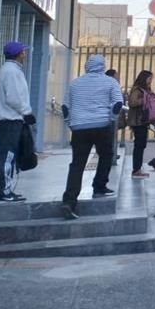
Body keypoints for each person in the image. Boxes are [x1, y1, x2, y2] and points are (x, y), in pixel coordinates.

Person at [60, 55, 125, 220]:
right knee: (106, 155)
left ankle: (69, 200)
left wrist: (71, 123)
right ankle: (99, 186)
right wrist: (110, 119)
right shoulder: (111, 82)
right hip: (101, 125)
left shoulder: (75, 83)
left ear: (86, 66)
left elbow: (65, 107)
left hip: (79, 127)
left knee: (77, 164)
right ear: (102, 66)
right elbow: (118, 104)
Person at [0, 41, 35, 203]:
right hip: (9, 119)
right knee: (6, 156)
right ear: (18, 54)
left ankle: (5, 189)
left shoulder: (9, 70)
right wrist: (27, 112)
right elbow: (14, 97)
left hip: (8, 119)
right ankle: (2, 192)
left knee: (6, 155)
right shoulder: (11, 72)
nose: (25, 54)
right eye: (23, 51)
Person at [127, 70, 155, 179]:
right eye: (149, 78)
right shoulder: (137, 89)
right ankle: (136, 169)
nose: (151, 81)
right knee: (139, 146)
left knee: (141, 145)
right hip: (138, 122)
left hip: (143, 121)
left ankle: (138, 168)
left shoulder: (145, 90)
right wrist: (145, 100)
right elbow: (132, 102)